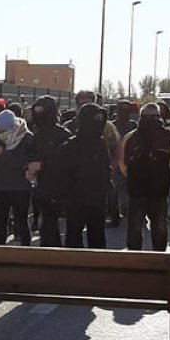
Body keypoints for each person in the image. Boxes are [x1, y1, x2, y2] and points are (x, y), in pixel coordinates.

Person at [55, 103, 112, 249]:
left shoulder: (101, 144)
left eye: (101, 118)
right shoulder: (69, 146)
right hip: (76, 201)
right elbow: (62, 175)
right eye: (95, 118)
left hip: (97, 200)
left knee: (97, 238)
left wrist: (107, 191)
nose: (99, 122)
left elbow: (106, 169)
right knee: (74, 238)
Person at [121, 102, 170, 251]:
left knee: (135, 226)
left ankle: (134, 259)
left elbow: (122, 163)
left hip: (136, 188)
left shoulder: (130, 137)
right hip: (159, 188)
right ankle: (160, 257)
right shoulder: (167, 135)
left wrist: (132, 176)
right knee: (159, 225)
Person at [0, 109, 38, 246]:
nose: (1, 133)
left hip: (20, 187)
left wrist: (2, 154)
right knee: (0, 223)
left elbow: (27, 162)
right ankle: (0, 253)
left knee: (21, 222)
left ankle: (26, 252)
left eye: (3, 130)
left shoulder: (26, 137)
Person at [31, 96, 71, 247]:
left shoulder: (63, 134)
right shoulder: (37, 134)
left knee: (50, 222)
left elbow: (65, 161)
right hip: (41, 185)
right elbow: (30, 155)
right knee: (48, 222)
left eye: (41, 111)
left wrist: (42, 165)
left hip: (59, 185)